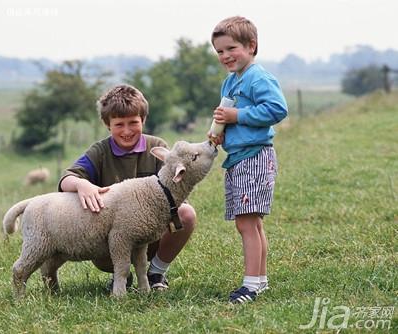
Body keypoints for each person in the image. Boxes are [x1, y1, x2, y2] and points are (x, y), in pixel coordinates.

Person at [58, 84, 197, 291]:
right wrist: (81, 184)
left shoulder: (156, 146)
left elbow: (176, 191)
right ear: (108, 125)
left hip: (153, 237)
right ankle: (120, 276)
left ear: (143, 120)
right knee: (116, 240)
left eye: (133, 122)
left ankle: (156, 273)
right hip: (110, 241)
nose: (126, 131)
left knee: (186, 213)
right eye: (119, 124)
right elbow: (66, 178)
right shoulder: (100, 152)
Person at [208, 16, 288, 304]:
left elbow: (277, 109)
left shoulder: (258, 77)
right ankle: (260, 280)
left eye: (231, 49)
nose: (225, 56)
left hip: (255, 156)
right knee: (251, 223)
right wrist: (220, 132)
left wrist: (237, 116)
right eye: (219, 51)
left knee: (247, 222)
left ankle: (251, 284)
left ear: (251, 46)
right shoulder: (230, 83)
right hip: (238, 157)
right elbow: (226, 115)